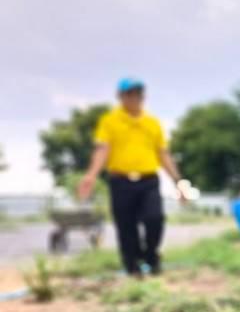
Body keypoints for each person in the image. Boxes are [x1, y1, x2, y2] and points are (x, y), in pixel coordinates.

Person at [77, 77, 190, 276]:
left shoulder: (152, 123)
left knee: (154, 218)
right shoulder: (109, 121)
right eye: (129, 94)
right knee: (126, 226)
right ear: (120, 97)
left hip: (148, 180)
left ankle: (151, 257)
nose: (134, 98)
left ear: (143, 96)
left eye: (138, 93)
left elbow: (163, 153)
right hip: (120, 180)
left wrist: (179, 182)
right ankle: (132, 266)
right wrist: (91, 175)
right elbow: (103, 148)